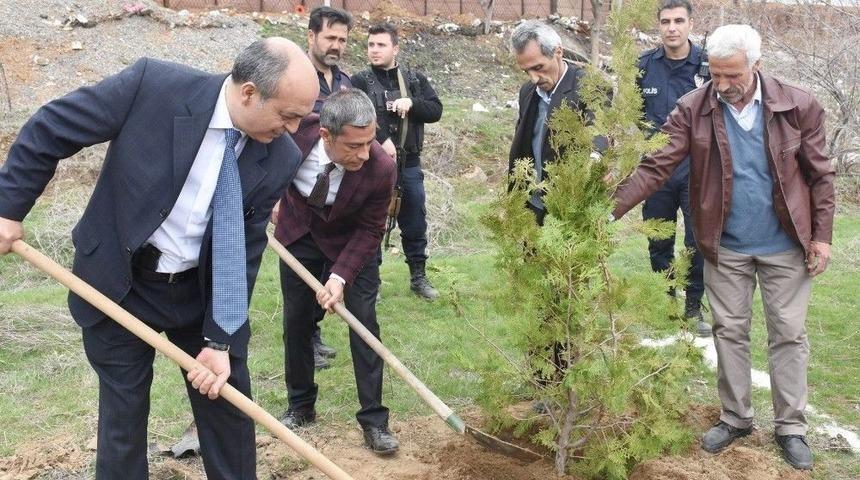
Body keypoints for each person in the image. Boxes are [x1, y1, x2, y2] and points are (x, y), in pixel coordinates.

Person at [0, 38, 318, 478]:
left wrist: (219, 341)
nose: (294, 128)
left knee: (228, 405)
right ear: (248, 92)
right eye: (288, 115)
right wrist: (8, 208)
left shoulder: (280, 156)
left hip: (199, 292)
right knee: (123, 418)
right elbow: (52, 126)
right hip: (119, 282)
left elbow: (241, 250)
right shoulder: (153, 86)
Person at [611, 24, 834, 471]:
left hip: (786, 243)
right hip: (724, 244)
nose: (724, 86)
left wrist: (822, 237)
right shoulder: (693, 109)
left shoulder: (799, 104)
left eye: (733, 76)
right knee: (728, 332)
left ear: (756, 65)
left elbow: (820, 175)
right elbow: (657, 164)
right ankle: (736, 418)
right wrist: (609, 209)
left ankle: (790, 426)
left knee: (788, 334)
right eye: (715, 75)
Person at [273, 89, 399, 455]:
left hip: (351, 242)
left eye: (369, 141)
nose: (364, 153)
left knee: (363, 324)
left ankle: (375, 421)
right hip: (299, 234)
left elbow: (371, 230)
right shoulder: (294, 134)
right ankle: (300, 406)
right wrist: (267, 203)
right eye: (354, 145)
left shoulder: (380, 167)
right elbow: (259, 165)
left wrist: (340, 276)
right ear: (326, 135)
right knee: (296, 322)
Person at [351, 22, 443, 300]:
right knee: (371, 223)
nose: (375, 50)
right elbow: (355, 114)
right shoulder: (359, 81)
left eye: (381, 45)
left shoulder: (414, 79)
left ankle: (418, 278)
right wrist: (380, 140)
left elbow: (436, 110)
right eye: (371, 45)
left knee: (415, 222)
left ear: (395, 48)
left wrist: (412, 103)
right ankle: (372, 282)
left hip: (410, 164)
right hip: (373, 166)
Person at [637, 0, 710, 336]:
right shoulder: (644, 66)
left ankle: (694, 308)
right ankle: (663, 301)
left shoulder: (708, 65)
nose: (672, 27)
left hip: (697, 167)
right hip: (657, 167)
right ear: (659, 25)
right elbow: (631, 113)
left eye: (679, 20)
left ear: (690, 24)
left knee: (697, 240)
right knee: (659, 237)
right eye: (665, 21)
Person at [509, 20, 603, 225]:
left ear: (558, 52)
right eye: (526, 71)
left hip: (572, 205)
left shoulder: (589, 84)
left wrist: (594, 159)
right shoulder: (527, 92)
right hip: (532, 204)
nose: (534, 78)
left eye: (539, 67)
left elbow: (599, 129)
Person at [304, 5, 355, 369]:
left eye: (342, 39)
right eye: (330, 37)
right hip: (301, 194)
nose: (336, 45)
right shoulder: (296, 79)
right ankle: (305, 338)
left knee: (326, 271)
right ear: (311, 36)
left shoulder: (345, 83)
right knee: (302, 272)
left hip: (336, 195)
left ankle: (314, 334)